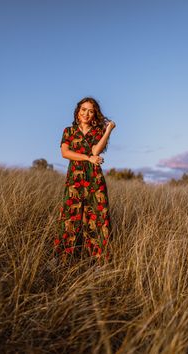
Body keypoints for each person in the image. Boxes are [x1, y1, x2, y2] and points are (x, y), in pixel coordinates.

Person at [54, 97, 116, 265]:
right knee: (70, 216)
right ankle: (63, 258)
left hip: (94, 178)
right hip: (75, 178)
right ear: (78, 111)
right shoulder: (68, 131)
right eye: (83, 109)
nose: (86, 114)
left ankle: (98, 261)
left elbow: (97, 150)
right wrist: (88, 158)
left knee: (98, 217)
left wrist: (108, 130)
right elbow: (65, 153)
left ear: (94, 114)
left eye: (90, 111)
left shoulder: (98, 131)